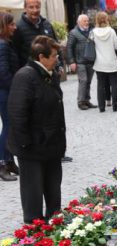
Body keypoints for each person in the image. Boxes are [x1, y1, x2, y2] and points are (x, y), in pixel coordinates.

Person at [8, 35, 66, 223]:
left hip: (51, 144)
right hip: (32, 147)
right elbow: (17, 113)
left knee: (53, 187)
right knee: (33, 191)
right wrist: (26, 144)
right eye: (54, 56)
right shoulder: (25, 76)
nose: (57, 59)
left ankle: (54, 221)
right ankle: (35, 229)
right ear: (41, 57)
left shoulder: (51, 74)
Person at [13, 0, 71, 163]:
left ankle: (59, 149)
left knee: (56, 110)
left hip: (50, 75)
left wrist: (58, 65)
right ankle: (40, 149)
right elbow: (16, 53)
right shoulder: (19, 27)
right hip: (31, 77)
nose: (35, 10)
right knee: (39, 114)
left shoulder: (46, 24)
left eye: (37, 6)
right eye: (31, 7)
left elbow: (54, 47)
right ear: (25, 8)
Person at [0, 12, 19, 182]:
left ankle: (9, 161)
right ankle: (2, 163)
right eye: (11, 24)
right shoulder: (2, 45)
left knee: (10, 126)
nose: (15, 27)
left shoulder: (6, 43)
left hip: (5, 91)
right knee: (8, 126)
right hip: (5, 92)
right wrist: (16, 88)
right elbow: (3, 73)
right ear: (4, 26)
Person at [67, 15, 98, 111]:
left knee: (88, 81)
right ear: (79, 22)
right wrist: (71, 61)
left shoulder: (92, 31)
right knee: (83, 81)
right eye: (84, 21)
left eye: (87, 21)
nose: (87, 23)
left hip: (90, 61)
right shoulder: (73, 33)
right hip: (80, 62)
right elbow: (69, 47)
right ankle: (80, 101)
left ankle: (87, 100)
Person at [92, 12, 117, 112]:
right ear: (106, 19)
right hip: (111, 61)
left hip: (99, 62)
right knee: (114, 84)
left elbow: (91, 46)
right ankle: (115, 106)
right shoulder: (111, 31)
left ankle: (101, 107)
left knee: (100, 85)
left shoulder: (93, 32)